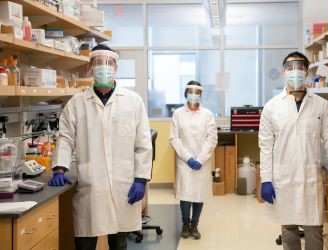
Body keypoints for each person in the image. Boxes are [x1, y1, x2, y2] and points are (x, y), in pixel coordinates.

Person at [48, 44, 152, 250]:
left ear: (116, 68)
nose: (104, 67)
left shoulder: (133, 101)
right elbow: (66, 137)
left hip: (123, 185)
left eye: (109, 63)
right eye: (98, 63)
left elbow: (143, 143)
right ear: (90, 68)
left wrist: (141, 179)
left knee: (119, 242)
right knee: (85, 242)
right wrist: (59, 167)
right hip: (91, 185)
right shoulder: (77, 103)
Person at [258, 52, 328, 250]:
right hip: (284, 177)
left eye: (300, 67)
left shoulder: (321, 105)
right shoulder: (271, 107)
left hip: (311, 176)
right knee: (289, 229)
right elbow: (265, 146)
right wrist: (266, 178)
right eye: (290, 67)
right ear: (284, 72)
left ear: (307, 72)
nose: (295, 72)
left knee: (314, 230)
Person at [169, 80, 218, 240]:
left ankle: (195, 224)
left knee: (199, 194)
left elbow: (212, 139)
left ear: (201, 95)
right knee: (186, 193)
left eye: (197, 92)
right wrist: (188, 158)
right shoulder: (178, 113)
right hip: (185, 162)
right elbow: (174, 138)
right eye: (191, 91)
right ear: (186, 93)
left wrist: (201, 158)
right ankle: (185, 223)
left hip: (202, 162)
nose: (194, 95)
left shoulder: (207, 114)